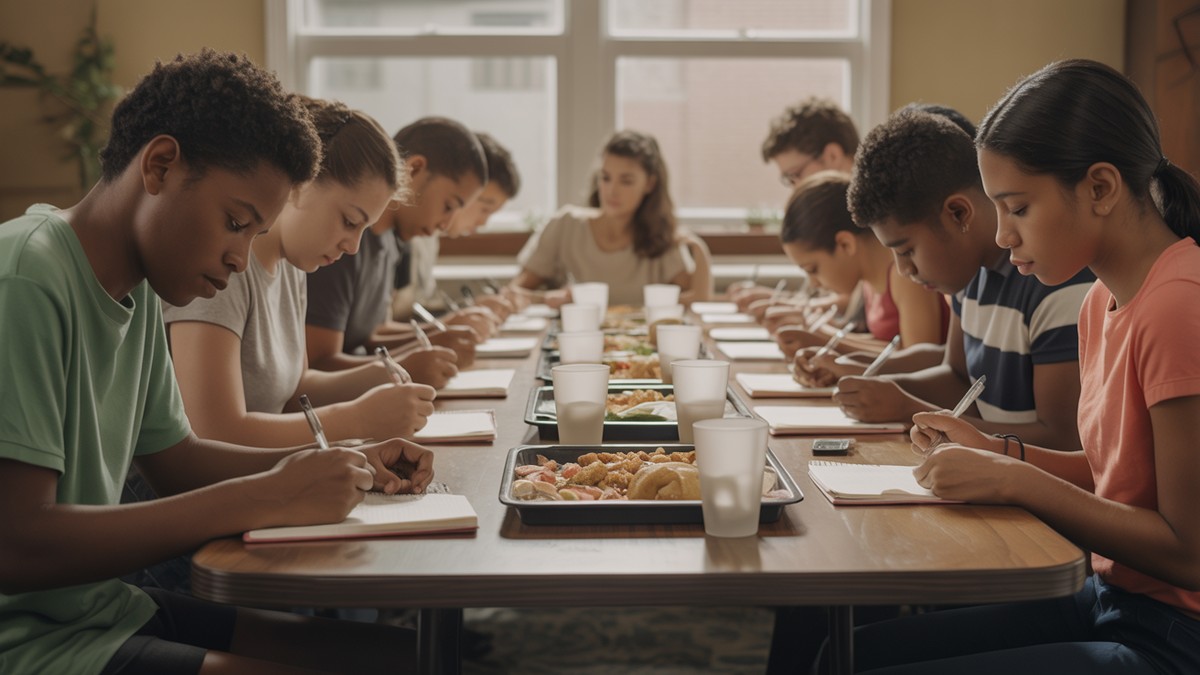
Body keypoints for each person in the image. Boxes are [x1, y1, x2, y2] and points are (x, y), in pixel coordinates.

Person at [0, 49, 430, 675]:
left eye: (255, 234)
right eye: (235, 222)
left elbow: (180, 462)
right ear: (160, 165)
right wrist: (265, 496)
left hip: (98, 608)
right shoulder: (26, 279)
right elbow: (16, 545)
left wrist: (344, 459)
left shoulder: (139, 290)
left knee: (405, 658)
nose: (239, 259)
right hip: (27, 642)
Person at [831, 58, 1200, 675]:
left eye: (1018, 208)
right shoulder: (1099, 302)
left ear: (1101, 189)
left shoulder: (1179, 304)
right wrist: (997, 451)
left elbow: (1189, 554)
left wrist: (1014, 480)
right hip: (1111, 596)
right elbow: (1115, 474)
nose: (1001, 236)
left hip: (1175, 635)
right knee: (848, 654)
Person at [163, 96, 438, 447]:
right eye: (349, 221)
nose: (353, 247)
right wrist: (355, 419)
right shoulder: (224, 268)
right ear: (301, 184)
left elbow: (293, 393)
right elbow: (215, 432)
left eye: (364, 230)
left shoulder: (292, 267)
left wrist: (373, 375)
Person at [831, 106, 1093, 450]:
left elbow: (1064, 440)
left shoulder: (1054, 281)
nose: (904, 270)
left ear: (958, 213)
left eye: (907, 250)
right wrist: (877, 390)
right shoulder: (969, 277)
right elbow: (957, 377)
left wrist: (907, 409)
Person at [305, 116, 487, 373]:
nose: (446, 225)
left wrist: (439, 334)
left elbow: (372, 333)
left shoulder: (390, 240)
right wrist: (405, 365)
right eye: (448, 206)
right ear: (414, 170)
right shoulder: (342, 243)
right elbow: (319, 361)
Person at [774, 170, 949, 373]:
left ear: (845, 244)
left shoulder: (906, 275)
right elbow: (886, 345)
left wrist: (826, 340)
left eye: (813, 269)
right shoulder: (867, 279)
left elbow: (917, 361)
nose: (813, 283)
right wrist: (828, 341)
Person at [510, 129, 695, 307]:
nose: (612, 191)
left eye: (626, 181)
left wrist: (698, 248)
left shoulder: (660, 237)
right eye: (605, 178)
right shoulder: (566, 226)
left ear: (649, 184)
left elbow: (695, 298)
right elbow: (514, 293)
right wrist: (549, 299)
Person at [408, 131, 523, 318]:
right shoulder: (411, 228)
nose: (482, 223)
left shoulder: (429, 238)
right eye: (484, 209)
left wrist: (468, 308)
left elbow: (415, 310)